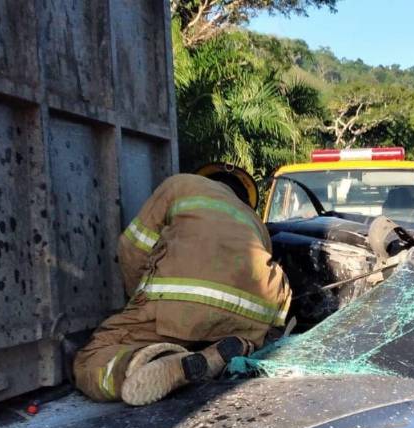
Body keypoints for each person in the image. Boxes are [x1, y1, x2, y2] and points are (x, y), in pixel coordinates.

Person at [74, 166, 291, 406]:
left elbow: (132, 247)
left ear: (204, 177)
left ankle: (145, 362)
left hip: (182, 305)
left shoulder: (180, 184)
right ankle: (233, 349)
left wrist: (141, 303)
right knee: (205, 330)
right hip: (252, 317)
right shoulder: (256, 221)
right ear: (244, 198)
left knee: (89, 359)